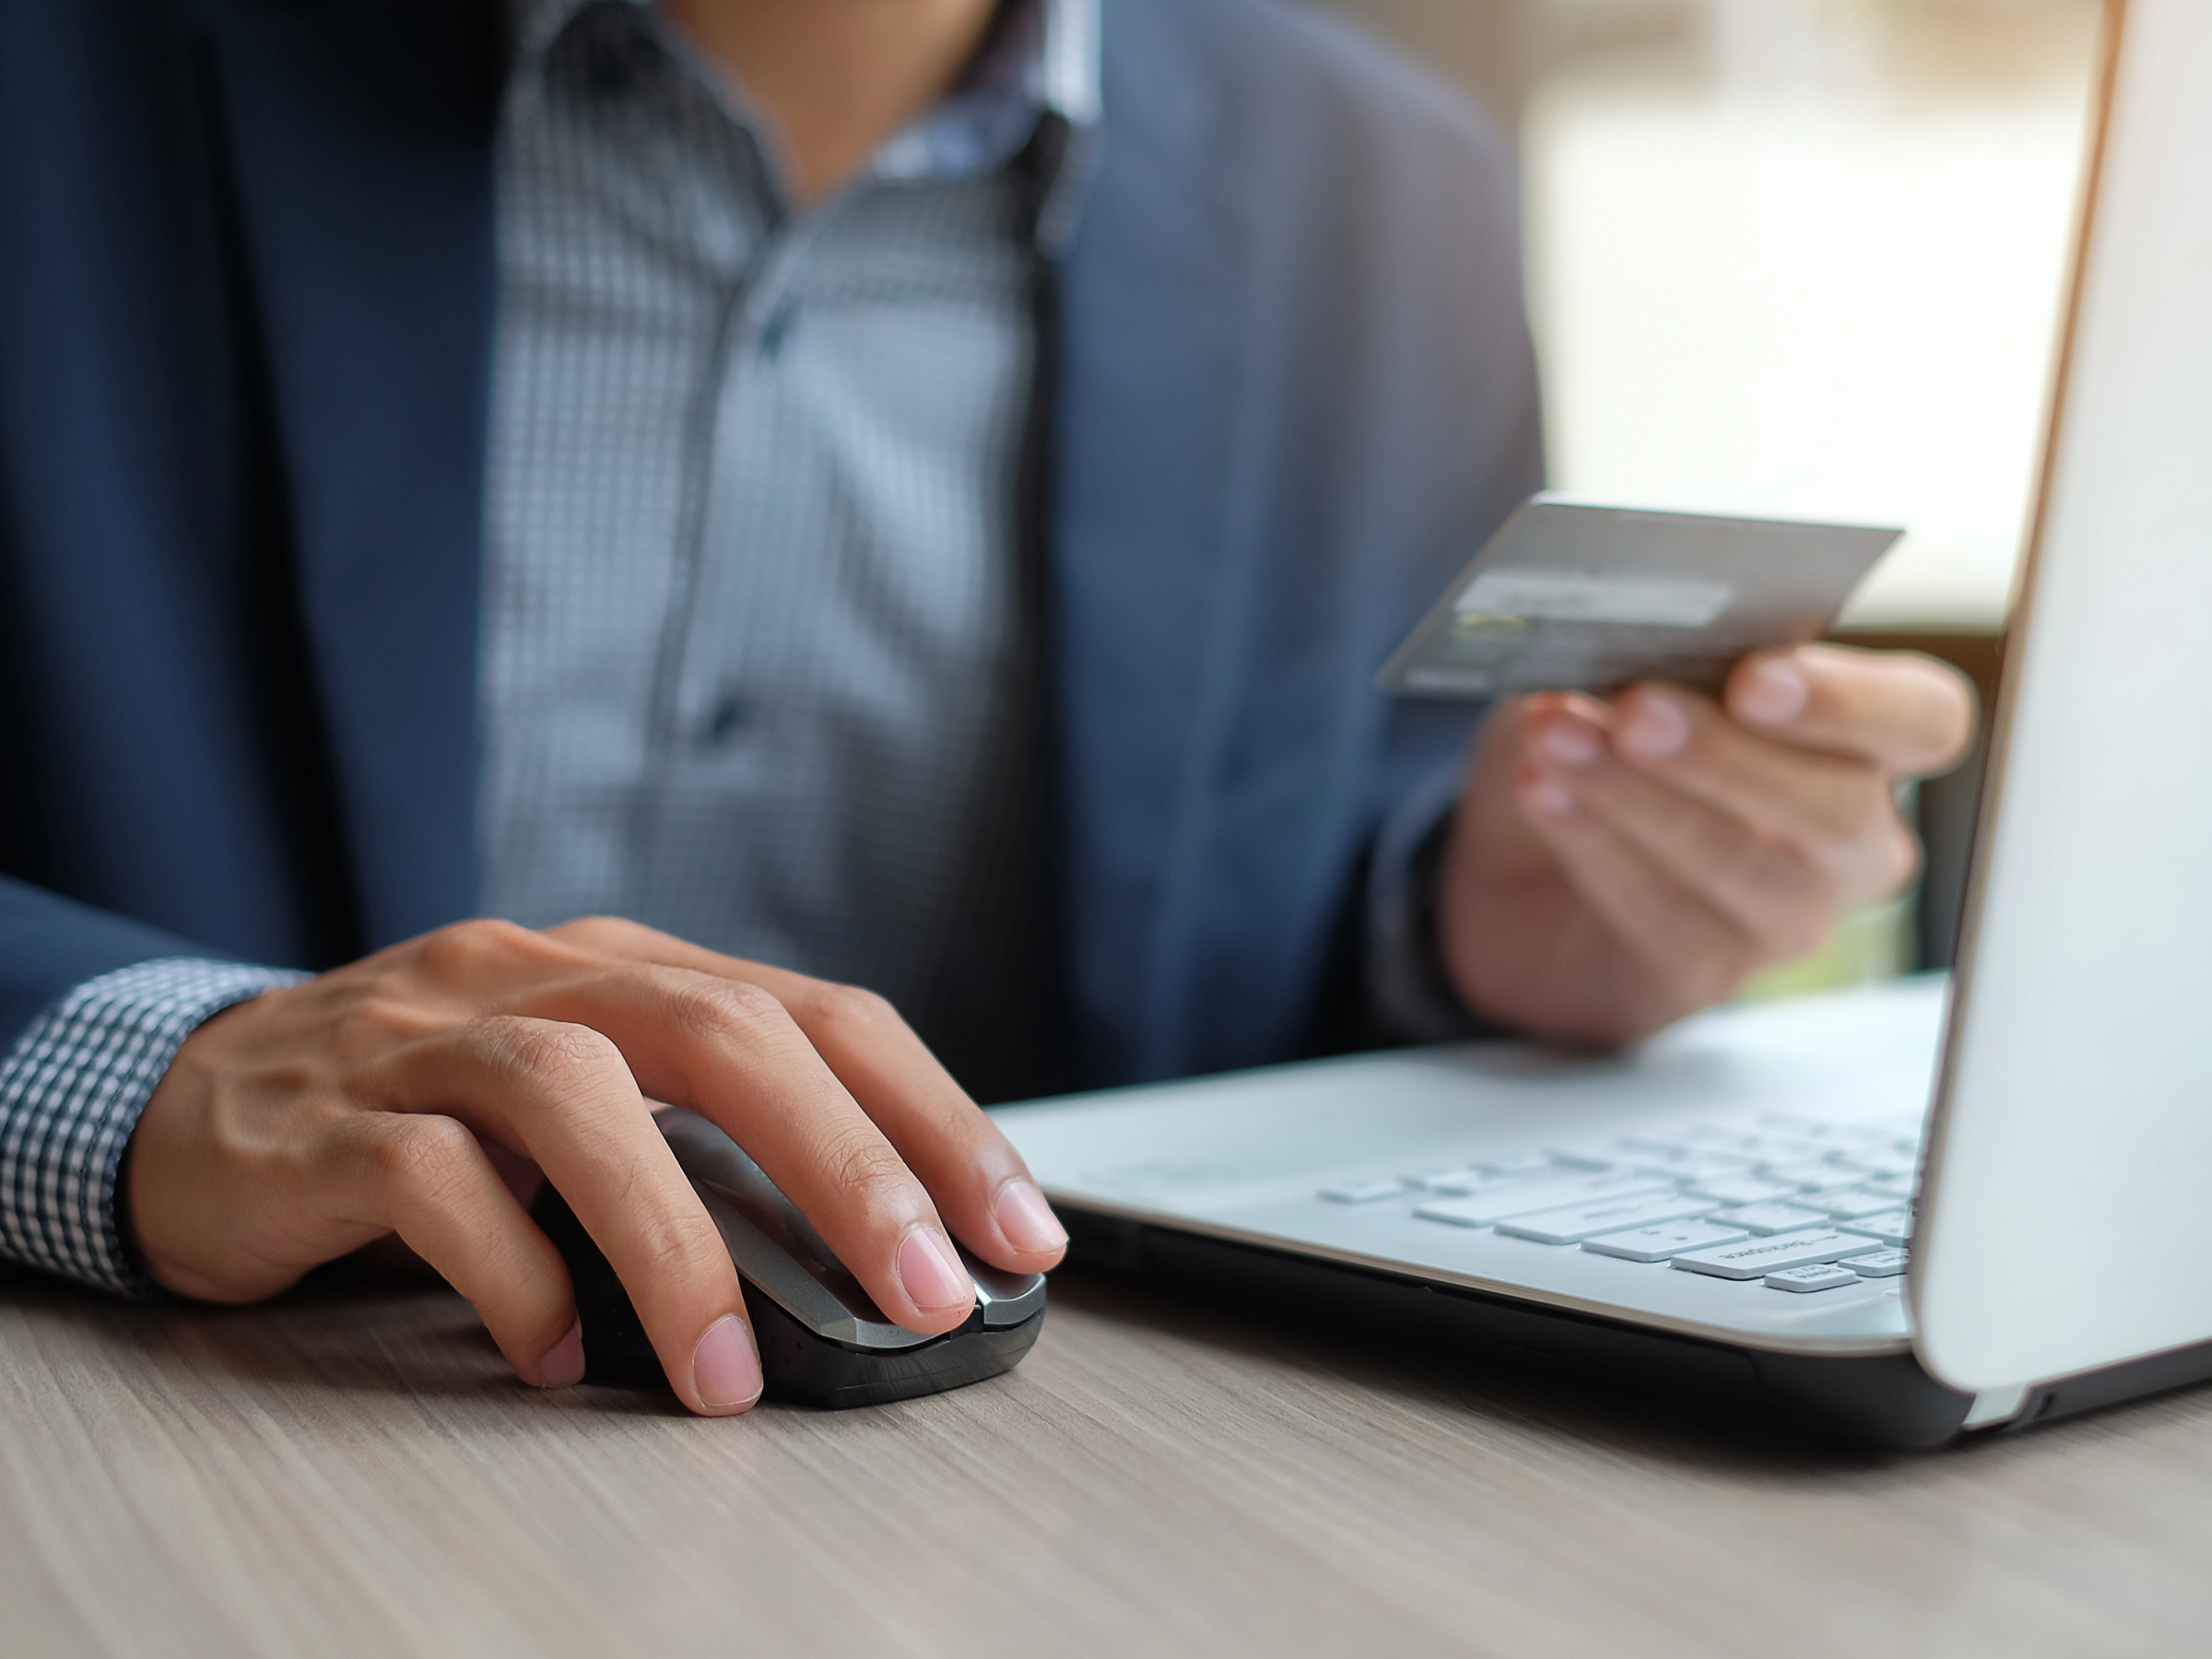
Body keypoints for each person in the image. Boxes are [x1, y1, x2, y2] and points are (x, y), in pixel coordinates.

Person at [0, 0, 1971, 1417]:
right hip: (233, 1445)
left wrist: (1476, 928)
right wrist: (152, 1072)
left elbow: (1323, 875)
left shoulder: (1386, 193)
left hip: (1067, 1504)